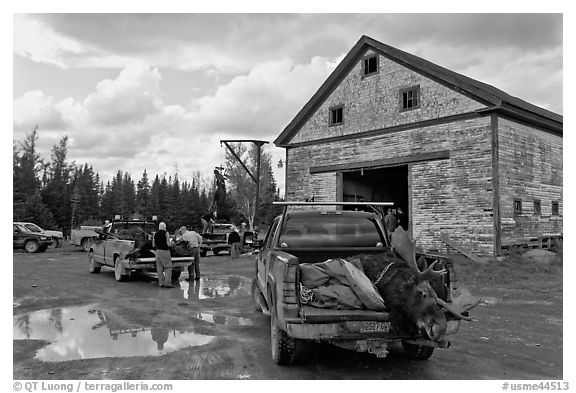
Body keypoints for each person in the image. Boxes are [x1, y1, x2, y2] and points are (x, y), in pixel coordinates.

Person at [153, 222, 174, 288]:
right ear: (164, 227)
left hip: (157, 252)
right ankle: (167, 283)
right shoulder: (166, 233)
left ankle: (161, 283)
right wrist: (172, 244)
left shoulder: (155, 234)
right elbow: (168, 244)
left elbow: (153, 244)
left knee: (159, 269)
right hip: (164, 251)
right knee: (168, 267)